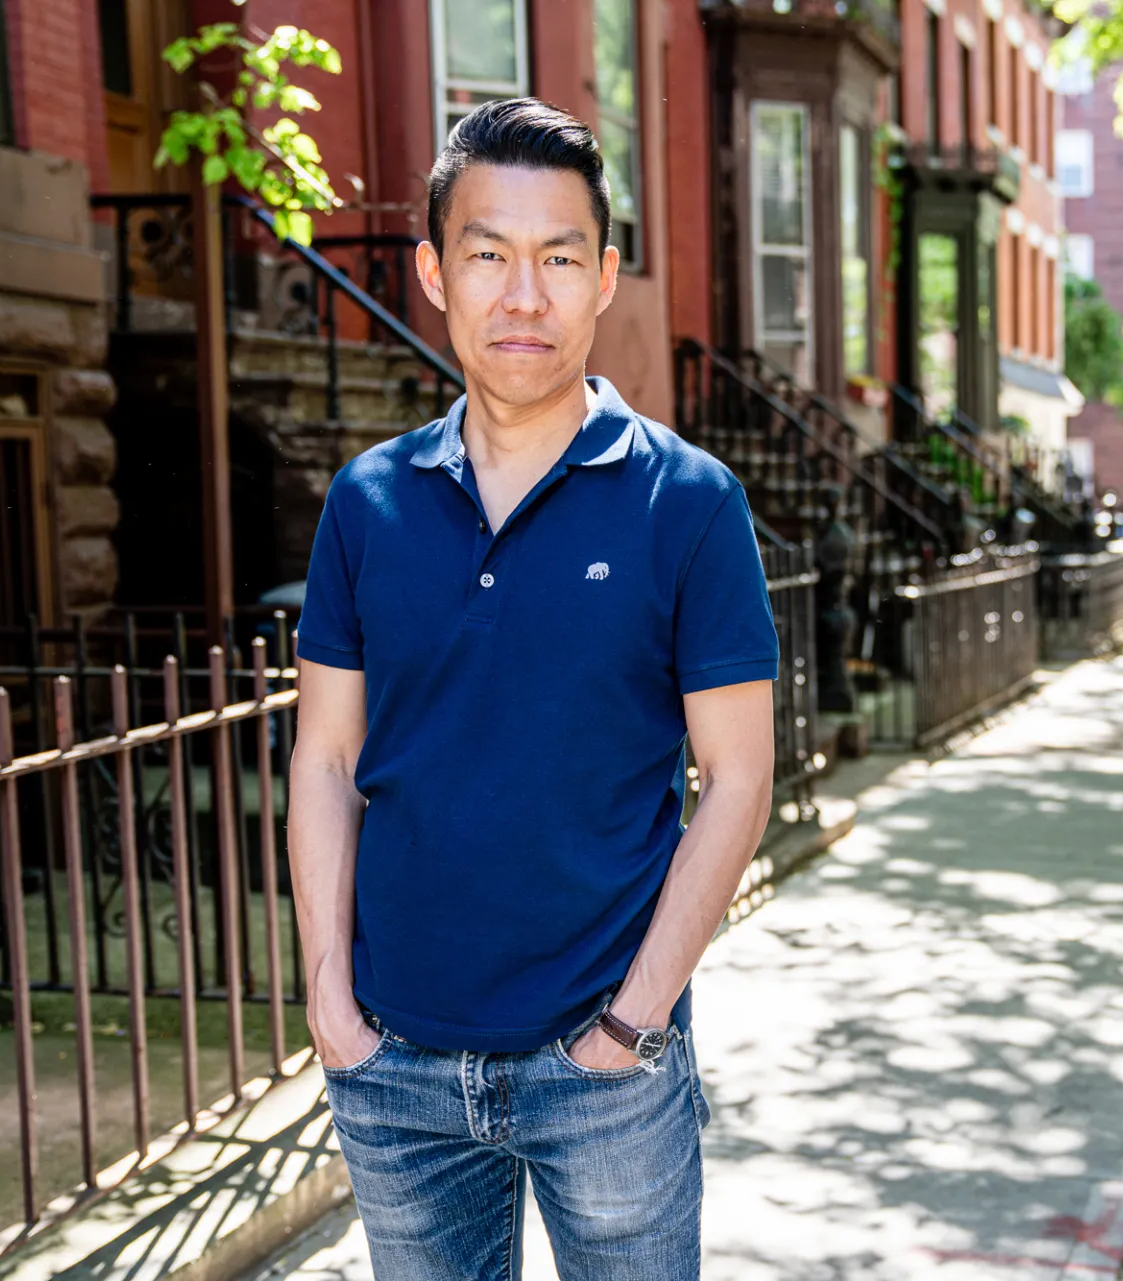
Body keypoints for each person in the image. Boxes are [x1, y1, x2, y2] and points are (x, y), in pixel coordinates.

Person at [289, 98, 779, 1281]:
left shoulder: (690, 502)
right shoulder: (367, 502)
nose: (525, 295)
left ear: (605, 277)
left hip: (604, 1062)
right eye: (488, 255)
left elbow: (740, 776)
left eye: (559, 258)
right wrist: (329, 1007)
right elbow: (326, 758)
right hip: (395, 1062)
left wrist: (636, 1019)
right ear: (432, 274)